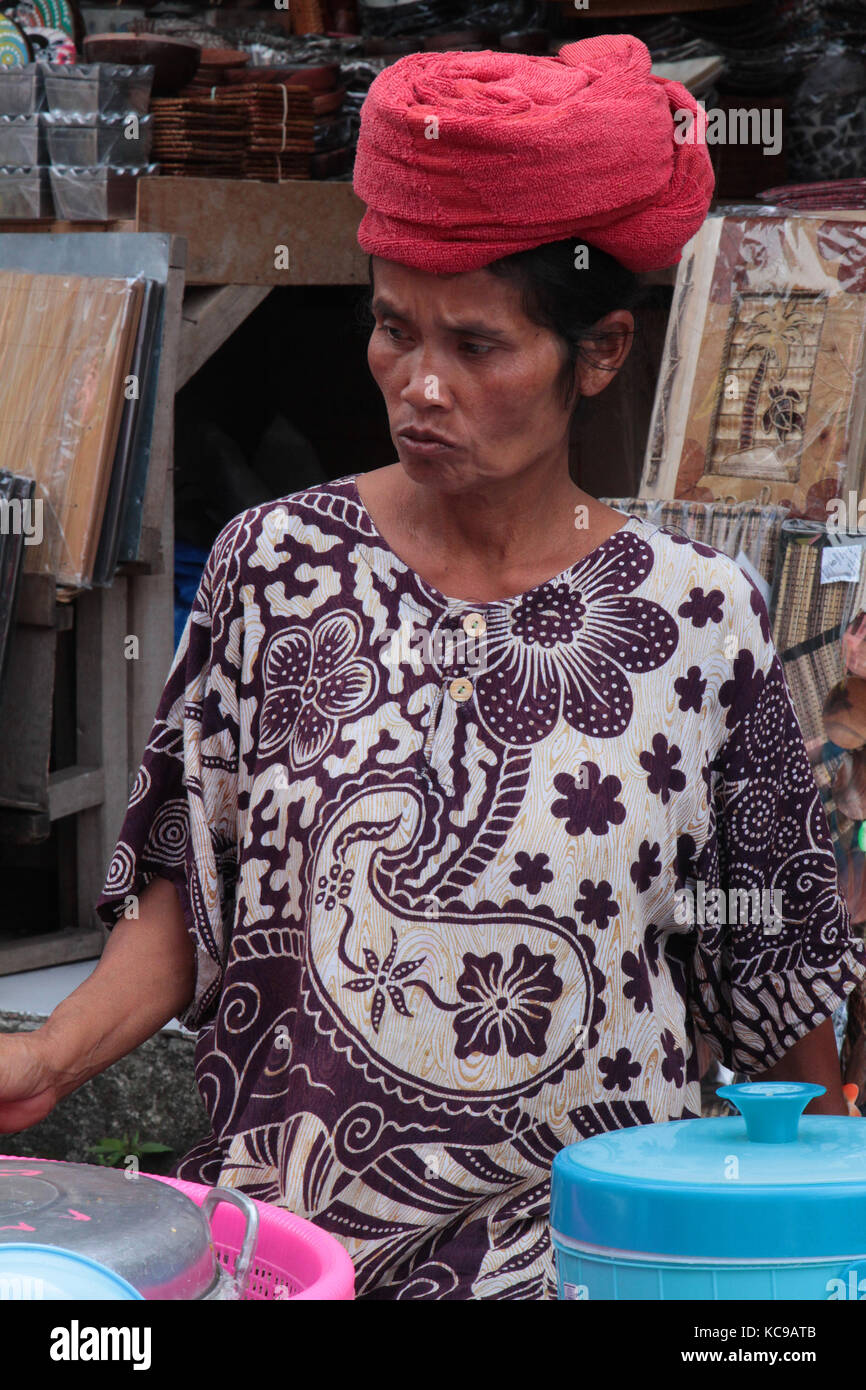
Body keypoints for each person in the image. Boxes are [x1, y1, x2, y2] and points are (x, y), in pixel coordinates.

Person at [1, 36, 864, 1301]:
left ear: (601, 354)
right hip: (290, 1254)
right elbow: (179, 906)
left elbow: (771, 976)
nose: (419, 385)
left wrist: (820, 1223)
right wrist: (49, 1062)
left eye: (475, 346)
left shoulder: (698, 622)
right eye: (392, 330)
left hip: (583, 1262)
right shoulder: (276, 569)